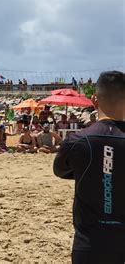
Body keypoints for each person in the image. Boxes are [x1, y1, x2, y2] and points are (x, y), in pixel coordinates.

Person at [53, 71, 124, 263]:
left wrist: (99, 169)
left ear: (94, 100)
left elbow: (60, 170)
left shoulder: (76, 141)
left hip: (89, 245)